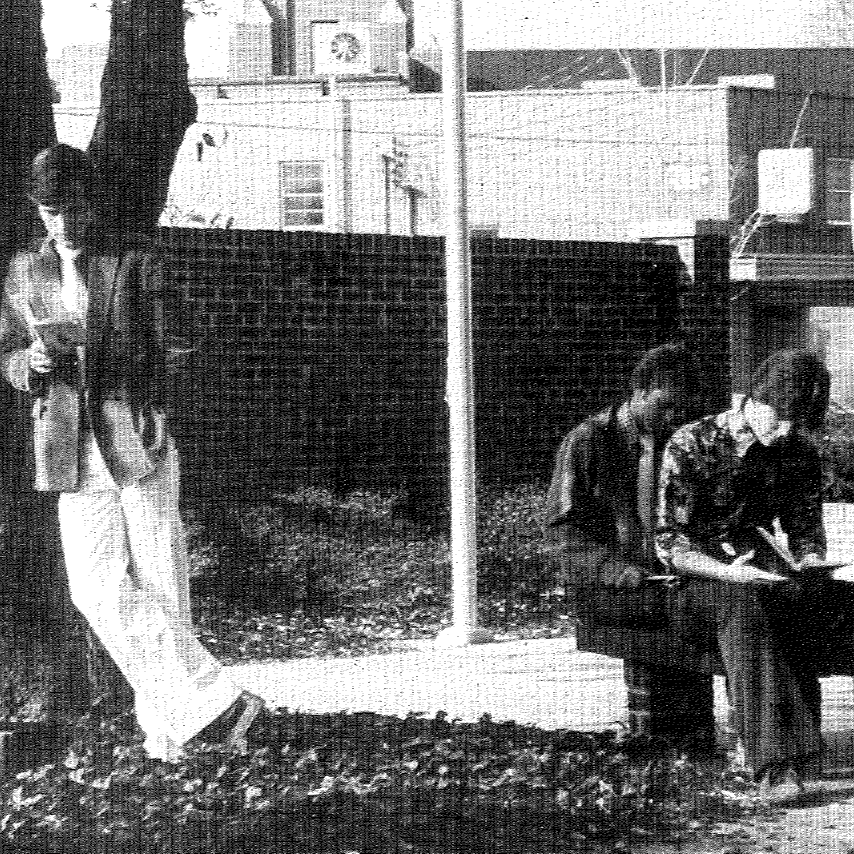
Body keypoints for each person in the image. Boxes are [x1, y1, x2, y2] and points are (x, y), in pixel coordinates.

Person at [0, 144, 266, 763]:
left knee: (160, 582)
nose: (60, 224)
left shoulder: (136, 262)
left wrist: (122, 367)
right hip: (67, 445)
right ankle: (216, 704)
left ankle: (170, 736)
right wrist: (29, 363)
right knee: (94, 589)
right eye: (47, 210)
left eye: (68, 208)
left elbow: (182, 347)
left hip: (134, 436)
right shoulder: (21, 272)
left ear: (90, 201)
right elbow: (8, 354)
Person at [656, 348, 854, 799]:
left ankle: (805, 751)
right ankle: (775, 764)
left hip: (767, 577)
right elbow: (670, 545)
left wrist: (808, 563)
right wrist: (728, 572)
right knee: (745, 608)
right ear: (753, 400)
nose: (785, 431)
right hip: (699, 584)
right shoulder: (694, 443)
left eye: (797, 423)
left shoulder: (797, 452)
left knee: (834, 603)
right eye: (780, 417)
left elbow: (806, 531)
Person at [545, 343, 713, 744]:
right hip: (607, 583)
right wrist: (612, 568)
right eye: (663, 405)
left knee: (738, 604)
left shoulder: (685, 444)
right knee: (708, 613)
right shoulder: (588, 442)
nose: (672, 418)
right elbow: (561, 531)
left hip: (666, 578)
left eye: (681, 410)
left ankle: (730, 733)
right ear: (637, 392)